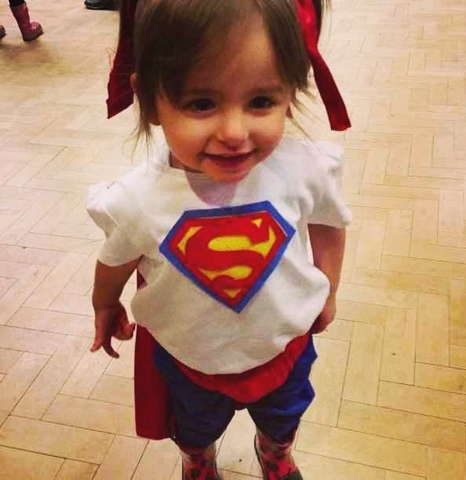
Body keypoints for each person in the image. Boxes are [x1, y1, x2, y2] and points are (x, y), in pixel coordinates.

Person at [87, 0, 352, 479]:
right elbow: (115, 259)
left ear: (291, 92)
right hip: (191, 357)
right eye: (201, 103)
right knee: (193, 425)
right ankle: (198, 457)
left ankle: (274, 450)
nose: (234, 132)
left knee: (285, 413)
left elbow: (329, 223)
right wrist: (104, 304)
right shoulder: (138, 199)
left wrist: (328, 289)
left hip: (284, 344)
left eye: (261, 101)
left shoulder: (305, 169)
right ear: (149, 100)